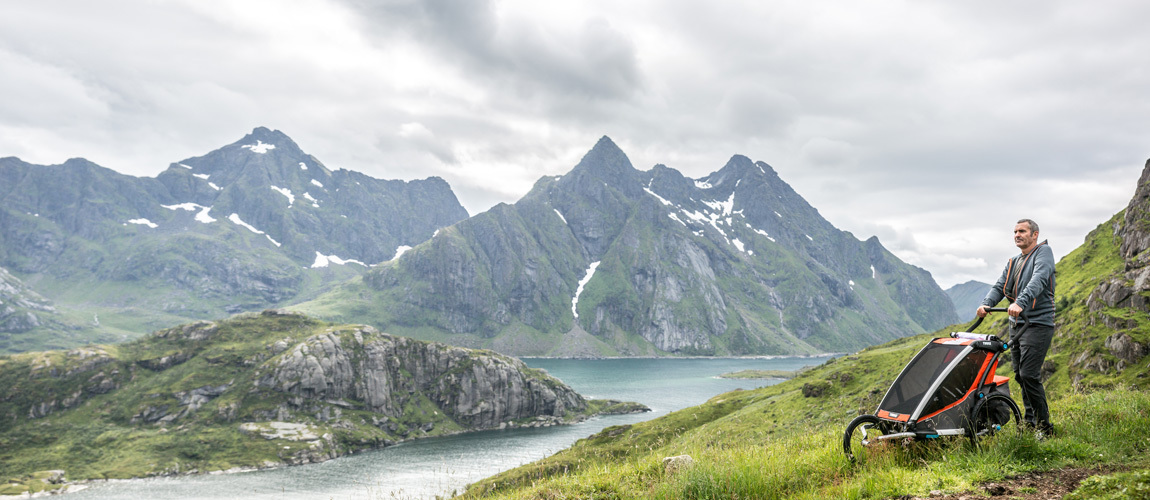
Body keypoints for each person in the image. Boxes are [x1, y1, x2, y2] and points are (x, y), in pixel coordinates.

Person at [976, 218, 1056, 437]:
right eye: (1015, 232)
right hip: (1017, 325)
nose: (1017, 235)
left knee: (1029, 375)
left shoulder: (1043, 253)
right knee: (1020, 376)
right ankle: (1031, 424)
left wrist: (1021, 301)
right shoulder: (1013, 261)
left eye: (1022, 231)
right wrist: (987, 303)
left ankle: (1044, 428)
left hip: (1038, 323)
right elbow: (999, 287)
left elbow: (1038, 279)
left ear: (1035, 235)